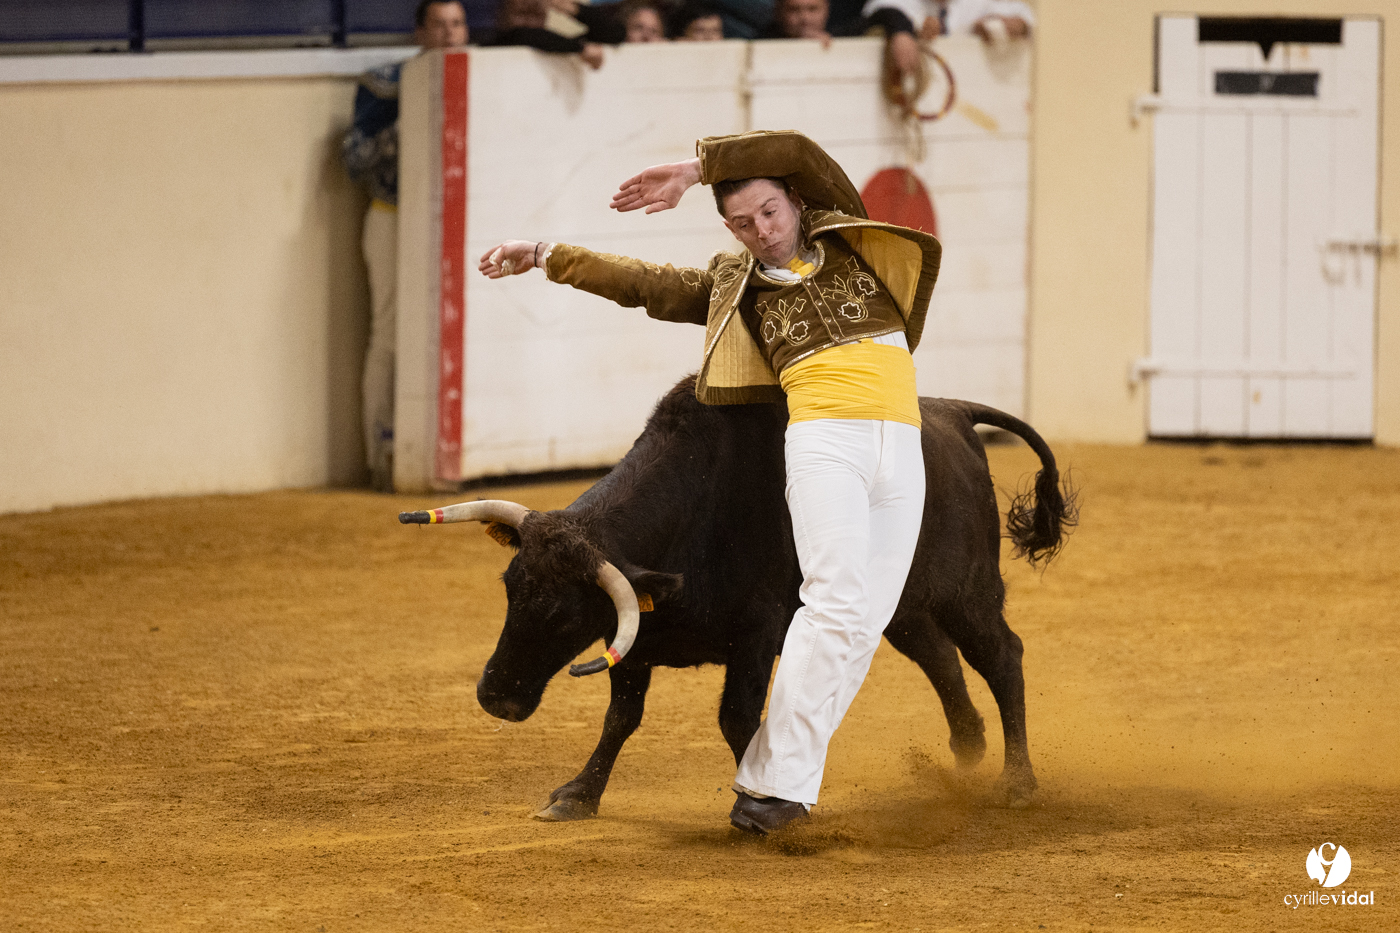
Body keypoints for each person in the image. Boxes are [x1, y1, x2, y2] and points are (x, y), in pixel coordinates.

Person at [476, 130, 940, 834]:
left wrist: (699, 169)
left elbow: (801, 149)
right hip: (823, 441)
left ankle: (778, 781)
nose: (762, 232)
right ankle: (772, 789)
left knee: (861, 622)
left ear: (796, 202)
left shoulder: (846, 234)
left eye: (771, 213)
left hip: (901, 444)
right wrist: (546, 255)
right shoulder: (736, 291)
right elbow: (643, 285)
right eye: (743, 224)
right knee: (832, 603)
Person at [342, 0, 468, 492]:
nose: (449, 33)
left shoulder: (489, 76)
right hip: (394, 216)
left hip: (457, 223)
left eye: (457, 23)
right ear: (420, 31)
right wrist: (410, 120)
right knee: (390, 331)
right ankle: (382, 452)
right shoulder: (385, 83)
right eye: (438, 24)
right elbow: (354, 162)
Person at [484, 0, 608, 67]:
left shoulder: (553, 42)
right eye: (522, 14)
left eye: (536, 15)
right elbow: (523, 34)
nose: (530, 22)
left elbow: (615, 33)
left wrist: (575, 10)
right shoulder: (498, 43)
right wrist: (581, 48)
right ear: (501, 15)